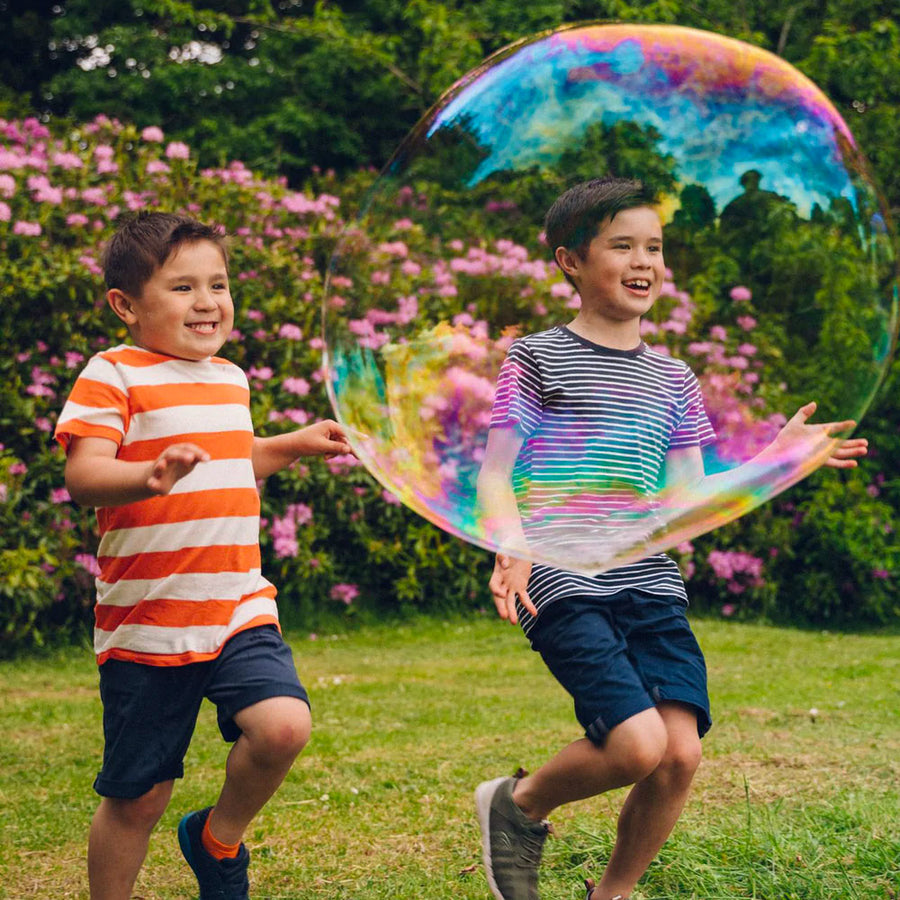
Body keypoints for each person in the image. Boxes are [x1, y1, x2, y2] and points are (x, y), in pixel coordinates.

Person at [473, 177, 868, 900]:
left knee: (678, 755)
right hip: (560, 572)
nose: (643, 260)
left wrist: (772, 462)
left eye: (653, 246)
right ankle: (519, 804)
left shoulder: (674, 379)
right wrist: (511, 544)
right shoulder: (536, 359)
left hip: (648, 579)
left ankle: (613, 893)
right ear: (571, 260)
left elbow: (687, 500)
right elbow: (495, 473)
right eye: (621, 244)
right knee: (635, 745)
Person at [55, 212, 354, 900]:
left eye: (217, 284)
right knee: (140, 797)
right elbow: (84, 472)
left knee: (283, 727)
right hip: (150, 621)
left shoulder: (228, 378)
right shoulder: (113, 373)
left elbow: (230, 460)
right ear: (126, 306)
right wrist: (146, 476)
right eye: (183, 287)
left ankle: (217, 838)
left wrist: (291, 444)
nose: (207, 301)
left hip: (235, 601)